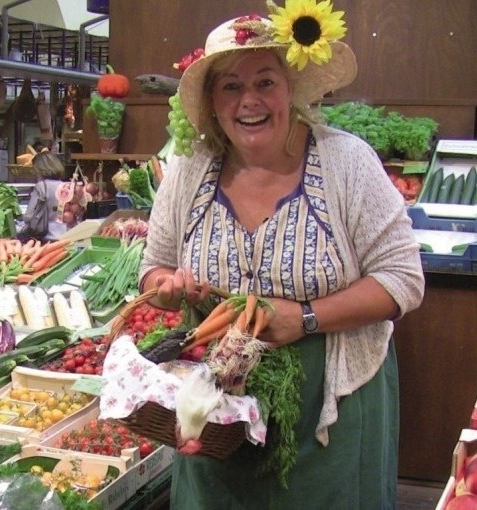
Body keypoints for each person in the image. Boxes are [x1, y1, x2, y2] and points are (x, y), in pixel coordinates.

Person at [139, 4, 424, 509]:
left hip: (328, 406)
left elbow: (402, 279)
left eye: (265, 82)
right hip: (215, 402)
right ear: (211, 101)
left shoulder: (346, 162)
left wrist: (306, 317)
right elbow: (153, 269)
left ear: (291, 88)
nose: (250, 100)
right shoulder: (189, 171)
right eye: (231, 86)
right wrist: (167, 287)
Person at [22, 148, 67, 240]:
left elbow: (29, 216)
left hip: (45, 236)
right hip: (65, 234)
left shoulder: (41, 186)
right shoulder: (65, 186)